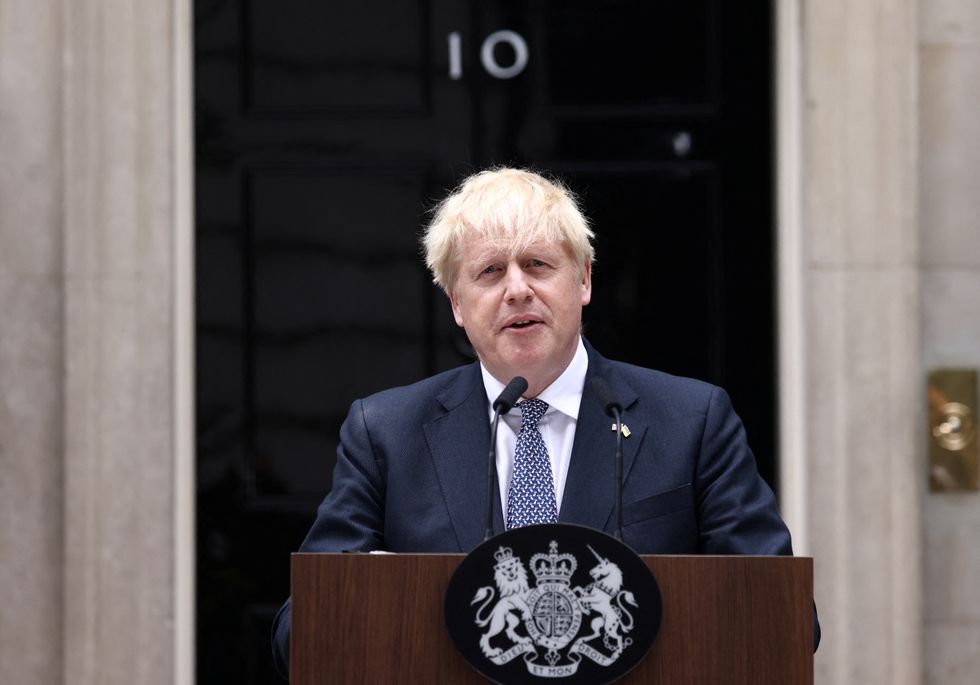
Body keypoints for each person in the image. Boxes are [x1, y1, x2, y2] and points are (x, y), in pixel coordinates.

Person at [272, 167, 815, 675]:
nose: (516, 289)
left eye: (537, 264)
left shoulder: (692, 420)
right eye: (489, 272)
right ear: (458, 303)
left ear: (582, 281)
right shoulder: (385, 432)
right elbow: (302, 632)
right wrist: (387, 597)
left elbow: (782, 618)